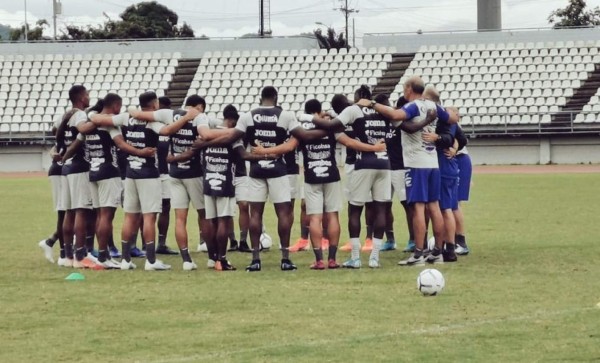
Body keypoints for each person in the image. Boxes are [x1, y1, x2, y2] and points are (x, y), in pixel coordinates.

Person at [254, 98, 386, 269]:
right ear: (319, 111)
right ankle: (332, 258)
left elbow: (288, 147)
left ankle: (318, 260)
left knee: (315, 217)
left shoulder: (300, 130)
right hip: (331, 173)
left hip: (311, 175)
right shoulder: (330, 126)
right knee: (332, 215)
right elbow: (349, 142)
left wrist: (264, 151)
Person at [90, 91, 199, 271]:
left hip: (131, 173)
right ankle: (150, 260)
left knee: (130, 216)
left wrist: (93, 115)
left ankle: (125, 260)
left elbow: (98, 120)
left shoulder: (126, 118)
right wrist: (187, 117)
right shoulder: (152, 122)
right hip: (148, 174)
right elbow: (168, 130)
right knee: (149, 216)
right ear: (154, 104)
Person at [356, 76, 454, 266]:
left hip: (416, 163)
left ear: (409, 89)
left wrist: (372, 104)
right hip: (432, 162)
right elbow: (450, 118)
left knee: (418, 207)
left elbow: (394, 115)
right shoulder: (434, 106)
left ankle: (418, 254)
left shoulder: (414, 106)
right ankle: (437, 252)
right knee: (434, 206)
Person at [306, 86, 393, 269]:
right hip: (385, 164)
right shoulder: (383, 110)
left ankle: (355, 257)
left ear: (360, 97)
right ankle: (374, 257)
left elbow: (333, 127)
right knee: (380, 209)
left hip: (363, 164)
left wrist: (308, 117)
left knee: (355, 210)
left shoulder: (354, 110)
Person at [75, 93, 153, 268]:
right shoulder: (109, 125)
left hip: (93, 171)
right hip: (108, 172)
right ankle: (104, 257)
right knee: (106, 216)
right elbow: (121, 145)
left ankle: (103, 254)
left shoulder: (91, 123)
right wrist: (142, 152)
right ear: (116, 105)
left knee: (99, 216)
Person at [56, 85, 99, 269]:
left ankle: (67, 255)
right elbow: (83, 128)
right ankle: (80, 256)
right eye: (87, 94)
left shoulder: (64, 115)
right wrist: (97, 120)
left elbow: (55, 131)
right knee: (81, 210)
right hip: (79, 166)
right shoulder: (80, 115)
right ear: (82, 97)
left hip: (66, 167)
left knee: (69, 212)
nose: (89, 97)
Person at [422, 86, 466, 263]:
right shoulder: (448, 118)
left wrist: (439, 139)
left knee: (445, 209)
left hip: (443, 169)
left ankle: (449, 249)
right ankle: (448, 247)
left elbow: (450, 138)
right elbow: (462, 139)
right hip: (447, 168)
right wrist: (455, 148)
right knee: (447, 208)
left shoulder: (443, 118)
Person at [38, 110, 77, 265]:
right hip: (60, 171)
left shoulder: (64, 139)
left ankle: (52, 242)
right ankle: (63, 253)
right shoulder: (64, 139)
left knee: (71, 211)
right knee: (65, 212)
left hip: (64, 171)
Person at [155, 96, 178, 255]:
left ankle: (161, 243)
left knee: (165, 207)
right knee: (147, 210)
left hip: (165, 173)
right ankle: (144, 244)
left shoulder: (172, 126)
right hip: (149, 173)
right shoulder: (150, 125)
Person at [454, 126, 472, 255]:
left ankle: (461, 242)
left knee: (454, 203)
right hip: (452, 161)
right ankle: (451, 240)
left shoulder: (448, 123)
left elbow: (460, 140)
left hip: (458, 160)